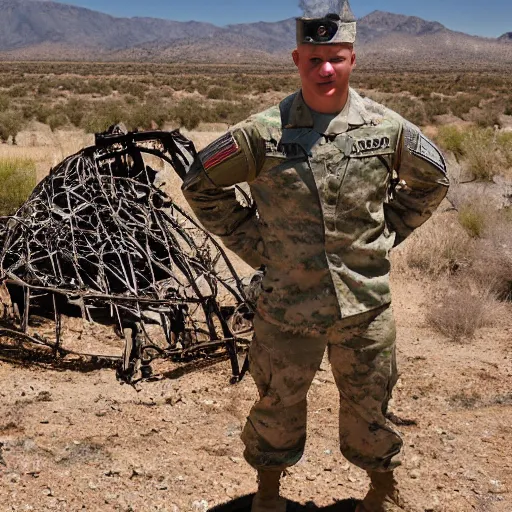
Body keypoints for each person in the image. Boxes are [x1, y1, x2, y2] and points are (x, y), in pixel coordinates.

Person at [182, 1, 449, 510]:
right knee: (276, 403)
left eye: (336, 57)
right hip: (286, 308)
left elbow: (433, 180)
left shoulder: (386, 128)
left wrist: (387, 233)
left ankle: (381, 489)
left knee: (372, 406)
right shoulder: (263, 133)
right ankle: (268, 492)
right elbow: (200, 184)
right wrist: (258, 247)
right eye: (314, 58)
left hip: (364, 305)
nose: (325, 69)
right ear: (296, 59)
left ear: (352, 59)